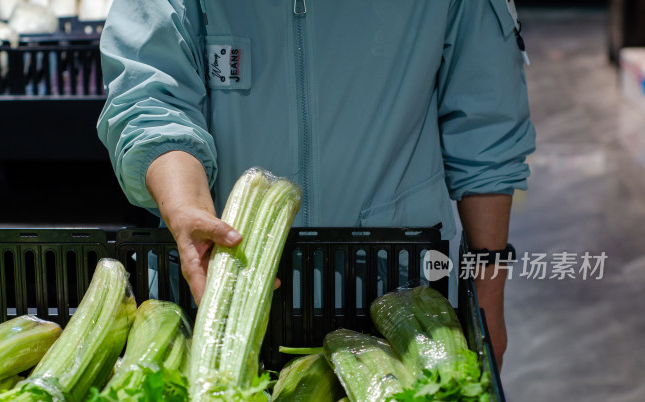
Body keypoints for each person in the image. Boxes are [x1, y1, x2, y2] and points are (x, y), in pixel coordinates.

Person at [96, 0, 536, 370]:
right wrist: (186, 207)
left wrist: (487, 295)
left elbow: (486, 121)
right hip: (218, 292)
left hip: (397, 298)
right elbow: (149, 96)